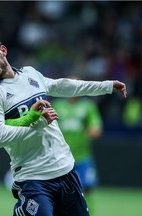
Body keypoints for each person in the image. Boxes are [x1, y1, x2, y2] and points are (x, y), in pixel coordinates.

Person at [0, 30, 127, 216]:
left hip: (66, 170)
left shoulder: (30, 74)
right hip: (33, 178)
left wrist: (106, 86)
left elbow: (63, 85)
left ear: (3, 50)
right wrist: (36, 123)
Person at [51, 75, 103, 212]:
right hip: (61, 157)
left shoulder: (88, 106)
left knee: (86, 187)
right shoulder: (57, 105)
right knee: (60, 189)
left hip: (83, 155)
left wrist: (91, 131)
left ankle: (86, 212)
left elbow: (96, 128)